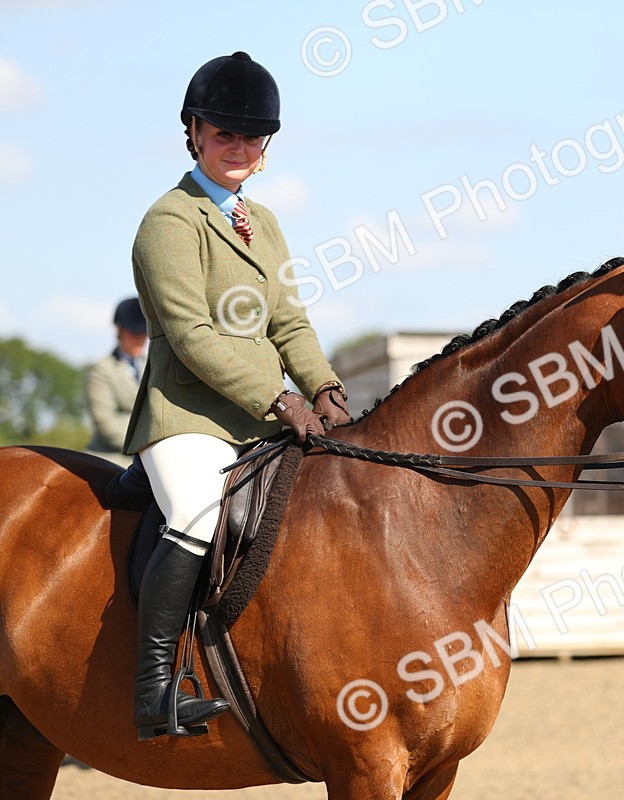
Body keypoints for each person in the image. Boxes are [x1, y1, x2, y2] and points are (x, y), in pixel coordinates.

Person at [122, 51, 352, 740]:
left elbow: (288, 321)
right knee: (197, 513)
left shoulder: (266, 222)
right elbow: (192, 337)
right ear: (194, 132)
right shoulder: (170, 222)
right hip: (187, 416)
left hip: (259, 418)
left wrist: (325, 385)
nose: (240, 149)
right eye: (225, 134)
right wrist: (280, 399)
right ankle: (152, 689)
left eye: (252, 138)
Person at [85, 298, 147, 467]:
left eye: (142, 333)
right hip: (113, 455)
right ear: (119, 330)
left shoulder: (154, 365)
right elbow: (105, 422)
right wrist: (143, 444)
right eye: (133, 333)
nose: (139, 338)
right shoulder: (102, 369)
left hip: (150, 453)